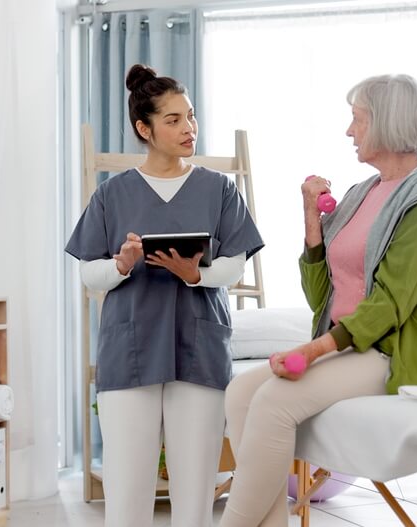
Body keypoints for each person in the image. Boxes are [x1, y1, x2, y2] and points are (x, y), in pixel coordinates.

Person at [218, 74, 417, 527]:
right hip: (353, 343)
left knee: (273, 401)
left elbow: (392, 303)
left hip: (401, 347)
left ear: (388, 122)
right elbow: (323, 297)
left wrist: (313, 350)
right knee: (242, 391)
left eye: (357, 119)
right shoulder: (364, 193)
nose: (349, 131)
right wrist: (311, 221)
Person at [66, 64, 264, 527]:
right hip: (130, 350)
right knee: (126, 487)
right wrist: (121, 264)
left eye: (190, 116)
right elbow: (89, 273)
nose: (188, 127)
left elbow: (235, 264)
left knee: (195, 487)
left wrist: (196, 275)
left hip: (197, 348)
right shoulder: (112, 195)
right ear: (145, 129)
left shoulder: (218, 189)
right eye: (173, 120)